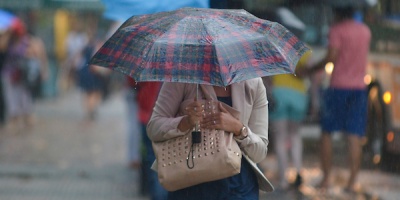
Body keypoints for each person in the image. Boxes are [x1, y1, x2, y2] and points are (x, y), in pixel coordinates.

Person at [147, 79, 273, 200]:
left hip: (239, 187)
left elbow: (259, 153)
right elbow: (153, 128)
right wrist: (185, 123)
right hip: (189, 181)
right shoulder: (183, 78)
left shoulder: (253, 83)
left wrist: (239, 129)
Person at [299, 6, 371, 192]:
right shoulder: (365, 31)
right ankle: (352, 182)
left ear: (338, 12)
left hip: (338, 87)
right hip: (359, 89)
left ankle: (326, 180)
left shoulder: (337, 30)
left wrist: (312, 68)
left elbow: (332, 56)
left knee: (327, 133)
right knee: (354, 135)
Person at [268, 50, 311, 190]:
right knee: (295, 135)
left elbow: (267, 75)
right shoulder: (304, 50)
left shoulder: (274, 49)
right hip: (298, 95)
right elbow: (308, 74)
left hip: (279, 93)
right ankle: (298, 171)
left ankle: (283, 179)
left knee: (280, 137)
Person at [135, 81, 167, 200]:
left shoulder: (150, 66)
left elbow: (133, 81)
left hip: (147, 115)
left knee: (152, 159)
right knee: (160, 161)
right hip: (155, 118)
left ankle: (152, 191)